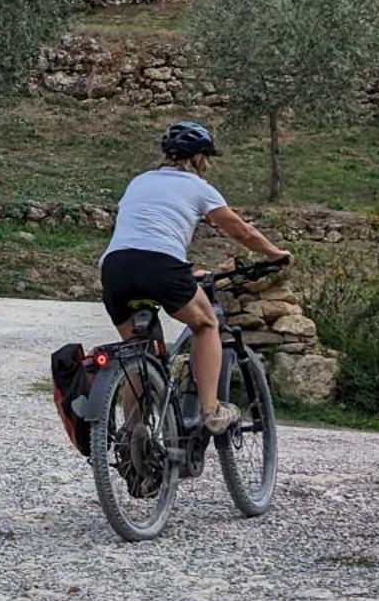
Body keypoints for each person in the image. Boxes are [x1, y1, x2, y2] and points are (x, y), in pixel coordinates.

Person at [101, 121, 290, 435]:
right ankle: (211, 410)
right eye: (207, 158)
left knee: (138, 349)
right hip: (162, 267)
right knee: (205, 325)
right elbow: (240, 230)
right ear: (199, 158)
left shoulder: (139, 181)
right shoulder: (199, 187)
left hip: (115, 267)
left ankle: (134, 436)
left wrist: (184, 271)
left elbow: (146, 234)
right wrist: (275, 254)